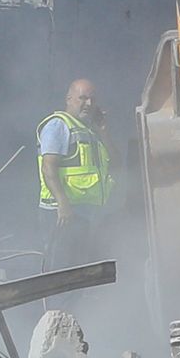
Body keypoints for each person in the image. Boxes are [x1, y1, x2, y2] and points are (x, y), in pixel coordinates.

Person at [37, 74, 112, 271]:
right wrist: (63, 204)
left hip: (85, 212)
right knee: (61, 270)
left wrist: (103, 131)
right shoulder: (58, 126)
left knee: (80, 268)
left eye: (92, 99)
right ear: (69, 99)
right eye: (83, 98)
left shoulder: (90, 130)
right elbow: (48, 167)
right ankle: (57, 303)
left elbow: (116, 163)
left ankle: (74, 303)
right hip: (63, 213)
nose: (88, 103)